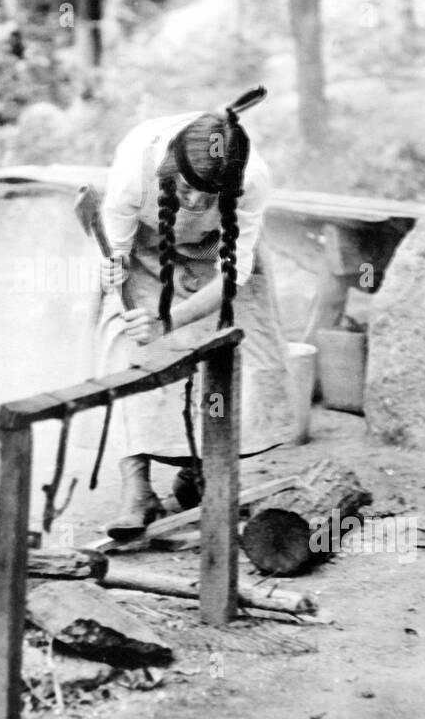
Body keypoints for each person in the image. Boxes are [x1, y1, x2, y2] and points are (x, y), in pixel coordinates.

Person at [96, 88, 291, 539]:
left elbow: (233, 276)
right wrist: (120, 286)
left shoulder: (254, 178)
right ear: (170, 169)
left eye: (210, 196)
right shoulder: (135, 169)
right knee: (130, 348)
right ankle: (137, 489)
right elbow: (115, 254)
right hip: (147, 247)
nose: (197, 204)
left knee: (229, 348)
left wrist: (173, 320)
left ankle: (199, 471)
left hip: (218, 258)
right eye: (186, 190)